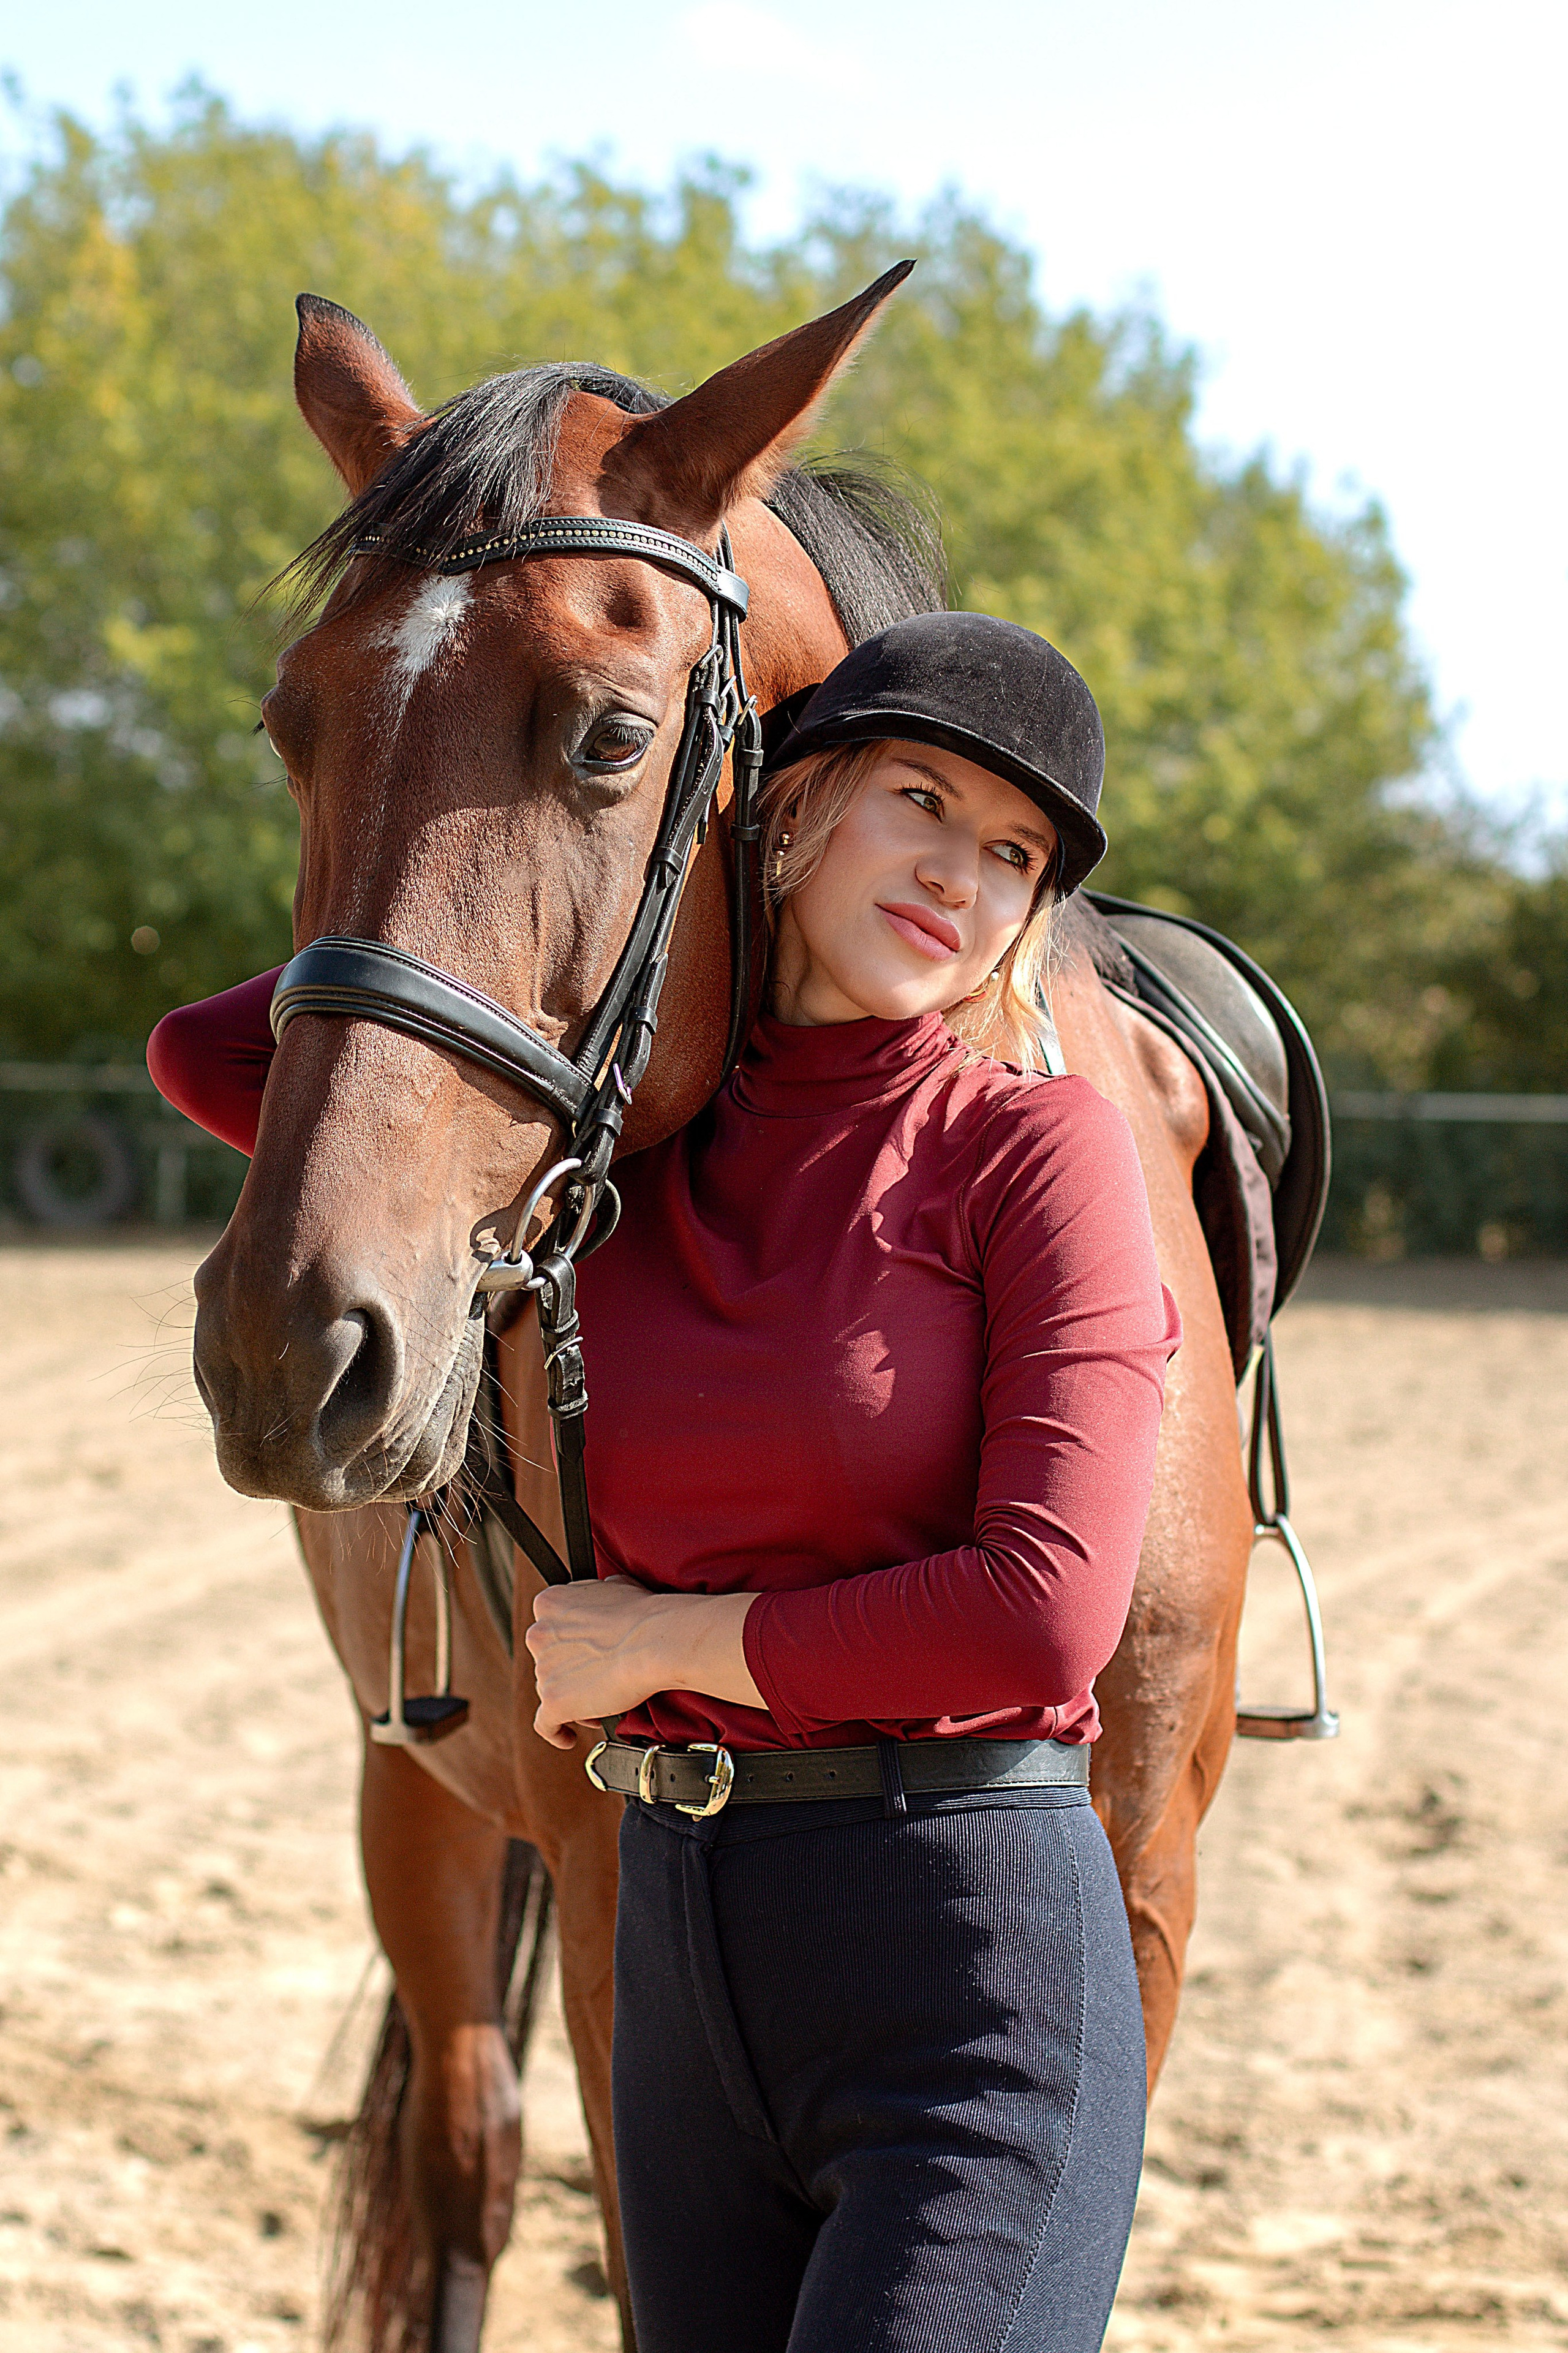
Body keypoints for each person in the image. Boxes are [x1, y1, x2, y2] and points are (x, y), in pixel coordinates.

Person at [149, 610, 1179, 2353]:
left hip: (965, 1971)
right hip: (688, 1977)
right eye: (921, 801)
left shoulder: (1030, 1146)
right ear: (790, 806)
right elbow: (211, 1057)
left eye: (1015, 856)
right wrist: (569, 875)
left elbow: (1045, 1612)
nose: (961, 873)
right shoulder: (615, 1158)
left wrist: (665, 1646)